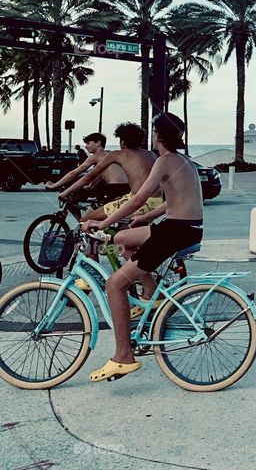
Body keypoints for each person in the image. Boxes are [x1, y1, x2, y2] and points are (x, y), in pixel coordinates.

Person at [82, 112, 203, 383]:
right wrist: (147, 218)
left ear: (158, 135)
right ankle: (151, 293)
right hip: (186, 227)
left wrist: (103, 223)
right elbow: (177, 197)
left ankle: (123, 356)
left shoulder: (164, 160)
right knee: (124, 240)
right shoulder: (185, 161)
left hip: (174, 232)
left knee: (114, 284)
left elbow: (138, 198)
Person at [60, 123, 162, 225]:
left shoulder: (117, 154)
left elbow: (88, 177)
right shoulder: (151, 154)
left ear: (122, 141)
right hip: (157, 202)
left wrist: (65, 193)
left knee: (85, 221)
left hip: (137, 201)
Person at [47, 132, 129, 204]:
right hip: (127, 187)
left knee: (87, 217)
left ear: (98, 143)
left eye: (88, 143)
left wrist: (55, 185)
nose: (86, 146)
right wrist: (90, 186)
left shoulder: (95, 157)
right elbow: (102, 174)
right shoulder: (110, 154)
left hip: (113, 188)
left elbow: (74, 173)